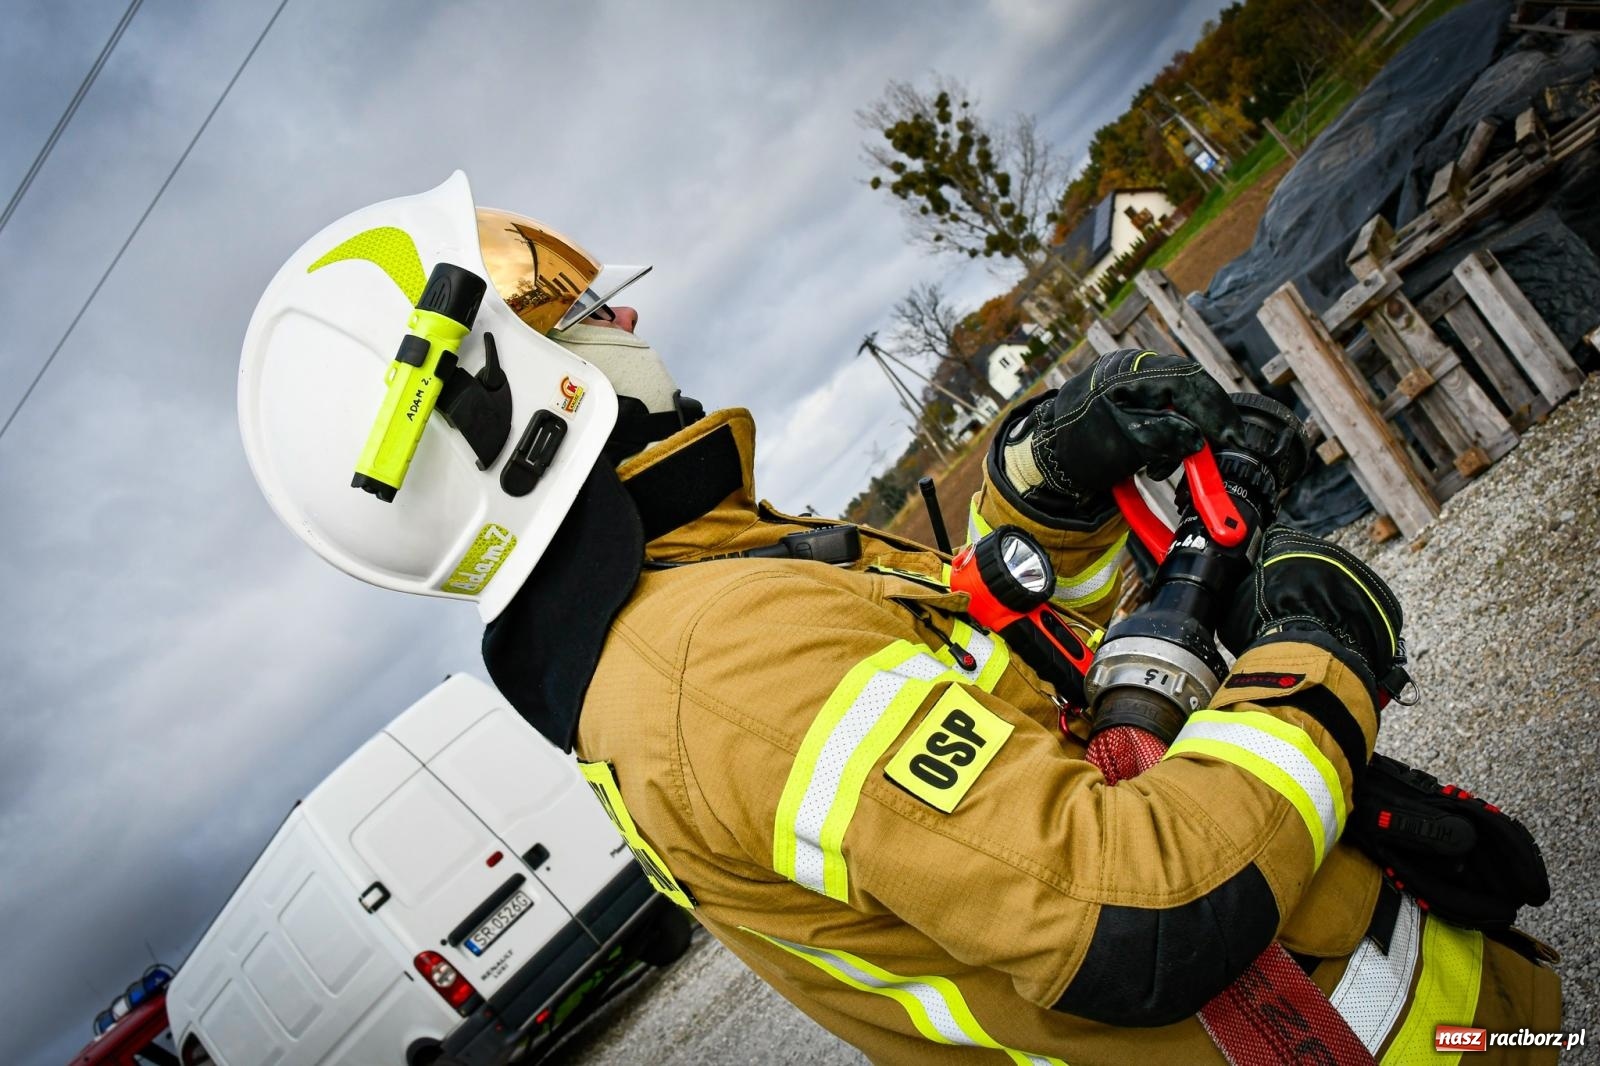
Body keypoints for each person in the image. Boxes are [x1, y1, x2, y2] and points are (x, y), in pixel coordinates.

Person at [239, 174, 1561, 1064]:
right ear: (499, 416)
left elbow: (1037, 694)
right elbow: (1141, 904)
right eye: (570, 308)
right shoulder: (712, 669)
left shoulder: (704, 586)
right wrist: (1317, 648)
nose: (625, 314)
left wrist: (1049, 482)